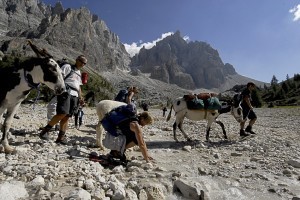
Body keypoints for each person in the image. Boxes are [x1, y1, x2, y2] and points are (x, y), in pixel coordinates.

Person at [39, 55, 87, 144]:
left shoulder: (79, 72)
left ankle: (61, 138)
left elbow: (79, 86)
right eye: (81, 61)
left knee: (67, 116)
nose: (83, 64)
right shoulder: (67, 67)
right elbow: (59, 77)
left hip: (75, 95)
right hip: (66, 92)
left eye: (84, 63)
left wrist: (80, 97)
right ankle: (45, 131)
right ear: (77, 60)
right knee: (62, 113)